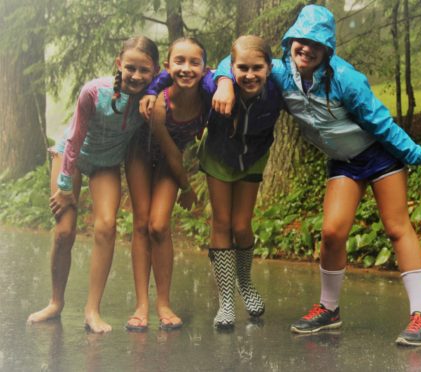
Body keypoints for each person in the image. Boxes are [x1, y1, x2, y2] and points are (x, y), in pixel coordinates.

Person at [214, 5, 421, 346]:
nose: (306, 49)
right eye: (300, 41)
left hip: (379, 156)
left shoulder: (345, 79)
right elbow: (234, 59)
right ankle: (329, 309)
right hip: (343, 162)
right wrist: (224, 82)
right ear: (290, 41)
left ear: (327, 48)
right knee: (332, 232)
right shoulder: (279, 72)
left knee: (397, 228)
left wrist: (417, 154)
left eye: (315, 44)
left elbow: (380, 121)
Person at [142, 35, 282, 329]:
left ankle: (244, 282)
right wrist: (155, 88)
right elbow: (190, 72)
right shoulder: (214, 83)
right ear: (231, 68)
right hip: (218, 154)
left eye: (258, 68)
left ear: (269, 67)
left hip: (253, 156)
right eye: (241, 69)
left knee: (242, 225)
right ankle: (226, 300)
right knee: (221, 223)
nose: (250, 75)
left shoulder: (277, 88)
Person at [27, 36, 160, 333]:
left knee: (106, 226)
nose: (136, 76)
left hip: (106, 164)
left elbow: (194, 74)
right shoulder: (94, 91)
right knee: (64, 232)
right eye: (130, 68)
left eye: (144, 70)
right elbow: (73, 138)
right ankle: (55, 302)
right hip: (71, 158)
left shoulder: (153, 95)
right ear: (119, 64)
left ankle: (92, 310)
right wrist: (63, 185)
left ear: (155, 71)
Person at [124, 37, 211, 332]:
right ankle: (141, 305)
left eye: (193, 62)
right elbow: (172, 150)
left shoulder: (208, 98)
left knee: (160, 226)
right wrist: (188, 189)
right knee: (141, 224)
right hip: (141, 152)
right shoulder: (161, 101)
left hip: (167, 163)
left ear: (204, 68)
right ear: (167, 66)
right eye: (179, 61)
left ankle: (163, 302)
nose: (186, 68)